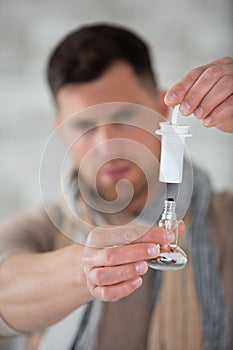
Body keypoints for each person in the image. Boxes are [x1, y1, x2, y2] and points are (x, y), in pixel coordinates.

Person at [0, 23, 232, 350]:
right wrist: (87, 271)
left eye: (125, 116)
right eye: (84, 125)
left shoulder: (227, 221)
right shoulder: (40, 230)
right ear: (61, 130)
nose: (107, 144)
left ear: (162, 109)